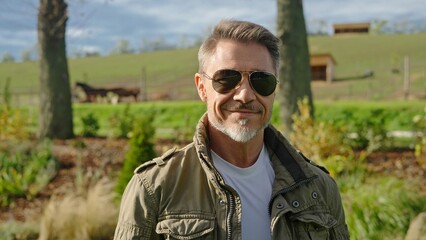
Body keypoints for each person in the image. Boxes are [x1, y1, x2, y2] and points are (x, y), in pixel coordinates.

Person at [114, 19, 349, 240]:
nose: (245, 95)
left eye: (261, 80)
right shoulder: (154, 188)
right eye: (226, 79)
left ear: (275, 89)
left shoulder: (318, 187)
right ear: (202, 87)